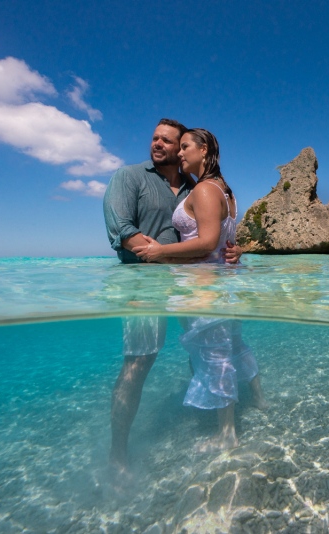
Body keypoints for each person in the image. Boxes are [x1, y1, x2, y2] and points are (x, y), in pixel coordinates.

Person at [102, 119, 241, 473]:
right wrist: (156, 253)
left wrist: (232, 252)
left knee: (203, 350)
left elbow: (211, 232)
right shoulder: (129, 176)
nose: (160, 144)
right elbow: (121, 228)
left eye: (170, 141)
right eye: (155, 138)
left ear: (184, 148)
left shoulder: (197, 186)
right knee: (138, 362)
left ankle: (216, 427)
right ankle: (118, 454)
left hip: (187, 283)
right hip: (144, 283)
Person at [133, 128, 266, 450]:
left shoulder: (206, 190)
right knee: (234, 345)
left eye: (186, 147)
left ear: (204, 150)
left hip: (205, 287)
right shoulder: (225, 190)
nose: (180, 153)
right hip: (222, 282)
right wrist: (235, 251)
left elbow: (206, 242)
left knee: (215, 356)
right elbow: (223, 242)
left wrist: (159, 252)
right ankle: (260, 401)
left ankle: (227, 434)